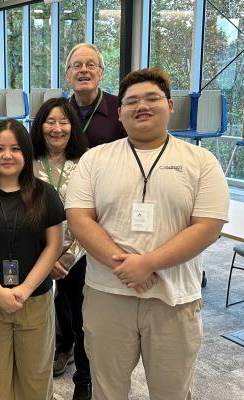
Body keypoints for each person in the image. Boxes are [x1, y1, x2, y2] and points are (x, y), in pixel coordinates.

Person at [65, 68, 230, 399]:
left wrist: (150, 262)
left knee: (172, 391)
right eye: (132, 101)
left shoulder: (201, 161)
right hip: (107, 294)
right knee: (107, 390)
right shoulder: (95, 159)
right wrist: (126, 267)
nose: (142, 106)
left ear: (169, 106)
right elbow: (79, 218)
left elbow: (208, 226)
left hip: (174, 299)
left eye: (152, 98)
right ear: (121, 112)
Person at [0, 119, 64, 400]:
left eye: (15, 148)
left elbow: (53, 246)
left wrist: (24, 289)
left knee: (35, 378)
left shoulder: (45, 193)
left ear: (26, 151)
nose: (7, 155)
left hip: (34, 299)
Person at [55, 42, 127, 399]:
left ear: (101, 71)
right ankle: (63, 346)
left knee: (90, 304)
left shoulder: (119, 110)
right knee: (63, 294)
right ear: (67, 74)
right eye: (76, 66)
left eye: (91, 65)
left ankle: (85, 378)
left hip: (106, 222)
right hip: (67, 222)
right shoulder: (59, 112)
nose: (83, 70)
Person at [29, 97, 90, 397]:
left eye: (63, 121)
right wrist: (47, 255)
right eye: (49, 121)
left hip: (77, 256)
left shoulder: (86, 163)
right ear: (40, 125)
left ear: (72, 126)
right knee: (40, 320)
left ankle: (84, 380)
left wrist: (68, 256)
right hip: (38, 255)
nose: (56, 128)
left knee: (82, 320)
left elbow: (94, 213)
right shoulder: (27, 162)